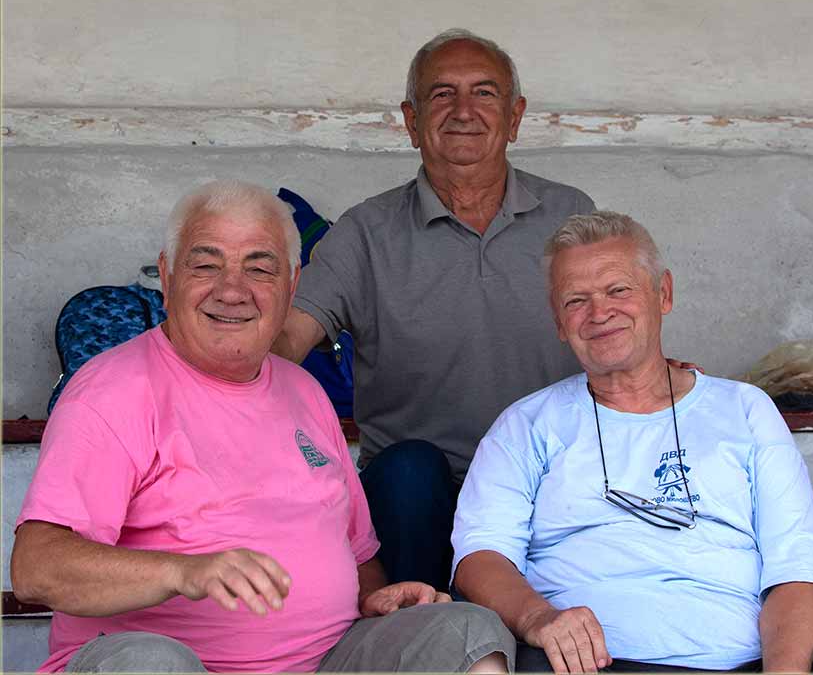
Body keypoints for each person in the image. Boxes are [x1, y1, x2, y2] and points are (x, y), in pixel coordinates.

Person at [10, 181, 515, 674]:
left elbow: (356, 552)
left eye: (259, 268)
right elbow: (37, 569)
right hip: (173, 662)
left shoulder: (304, 392)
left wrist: (375, 598)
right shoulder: (112, 392)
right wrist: (183, 572)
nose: (232, 290)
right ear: (167, 276)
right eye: (206, 265)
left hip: (325, 659)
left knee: (466, 632)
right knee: (151, 665)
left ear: (291, 286)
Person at [273, 28, 596, 590]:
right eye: (442, 94)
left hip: (546, 482)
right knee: (408, 469)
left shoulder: (570, 214)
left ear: (515, 117)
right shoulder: (365, 232)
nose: (463, 111)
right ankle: (419, 628)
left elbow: (615, 320)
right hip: (418, 498)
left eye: (485, 93)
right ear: (411, 119)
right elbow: (285, 341)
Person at [451, 210, 813, 673]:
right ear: (558, 321)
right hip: (577, 664)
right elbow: (480, 558)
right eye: (576, 300)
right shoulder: (525, 425)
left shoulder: (745, 409)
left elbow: (795, 571)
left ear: (663, 294)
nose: (600, 313)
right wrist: (538, 618)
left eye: (618, 290)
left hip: (739, 662)